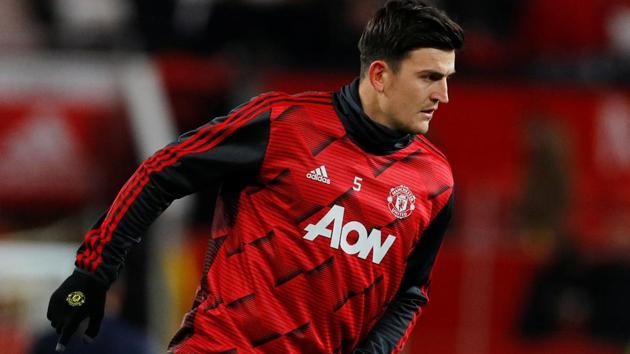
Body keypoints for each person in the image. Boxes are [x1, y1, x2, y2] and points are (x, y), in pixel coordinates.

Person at [46, 1, 464, 353]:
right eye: (429, 77)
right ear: (379, 75)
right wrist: (94, 271)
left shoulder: (435, 182)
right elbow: (165, 170)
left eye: (446, 78)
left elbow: (409, 294)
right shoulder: (282, 123)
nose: (442, 96)